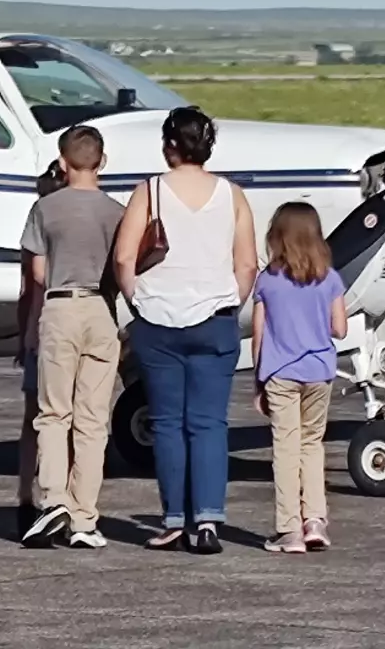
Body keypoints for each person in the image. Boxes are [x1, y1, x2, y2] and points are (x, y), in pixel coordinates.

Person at [114, 106, 257, 555]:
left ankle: (175, 518)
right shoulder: (232, 195)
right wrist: (230, 298)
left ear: (169, 145)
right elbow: (248, 262)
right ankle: (209, 520)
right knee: (210, 424)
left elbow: (122, 257)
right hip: (214, 319)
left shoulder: (150, 192)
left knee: (168, 424)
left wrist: (138, 297)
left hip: (159, 319)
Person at [19, 126, 124, 549]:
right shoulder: (116, 212)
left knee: (53, 413)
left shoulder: (46, 208)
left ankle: (54, 499)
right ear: (102, 162)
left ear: (63, 162)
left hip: (61, 305)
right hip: (100, 308)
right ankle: (84, 518)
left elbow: (38, 273)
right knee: (93, 420)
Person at [252, 202, 346, 554]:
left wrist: (258, 381)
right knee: (312, 444)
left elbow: (259, 335)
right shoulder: (331, 279)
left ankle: (288, 528)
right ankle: (315, 520)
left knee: (285, 448)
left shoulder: (268, 281)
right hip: (319, 372)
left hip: (280, 373)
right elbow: (340, 328)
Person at [15, 159, 67, 538]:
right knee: (73, 418)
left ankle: (24, 494)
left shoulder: (38, 223)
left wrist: (24, 334)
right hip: (65, 321)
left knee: (35, 418)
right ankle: (67, 495)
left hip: (41, 324)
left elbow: (28, 290)